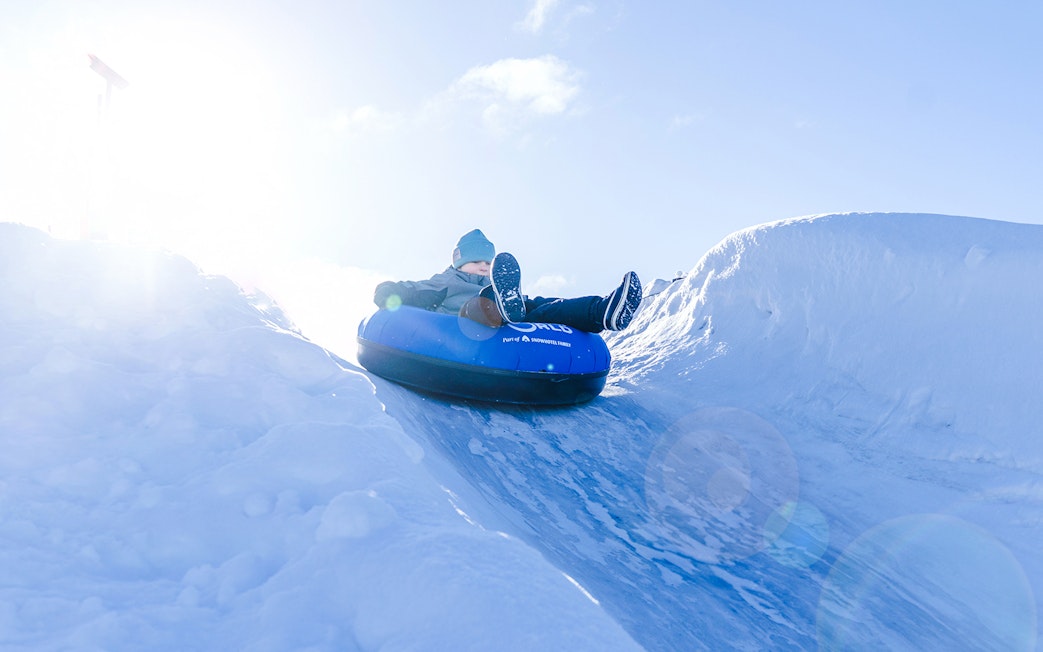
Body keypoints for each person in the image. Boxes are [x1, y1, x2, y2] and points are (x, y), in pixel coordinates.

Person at [373, 229, 642, 333]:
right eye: (477, 261)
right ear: (459, 261)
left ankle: (603, 311)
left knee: (544, 306)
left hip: (508, 323)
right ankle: (502, 307)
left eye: (488, 263)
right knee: (481, 304)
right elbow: (408, 290)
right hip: (465, 327)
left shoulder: (499, 283)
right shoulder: (446, 281)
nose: (484, 266)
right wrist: (390, 292)